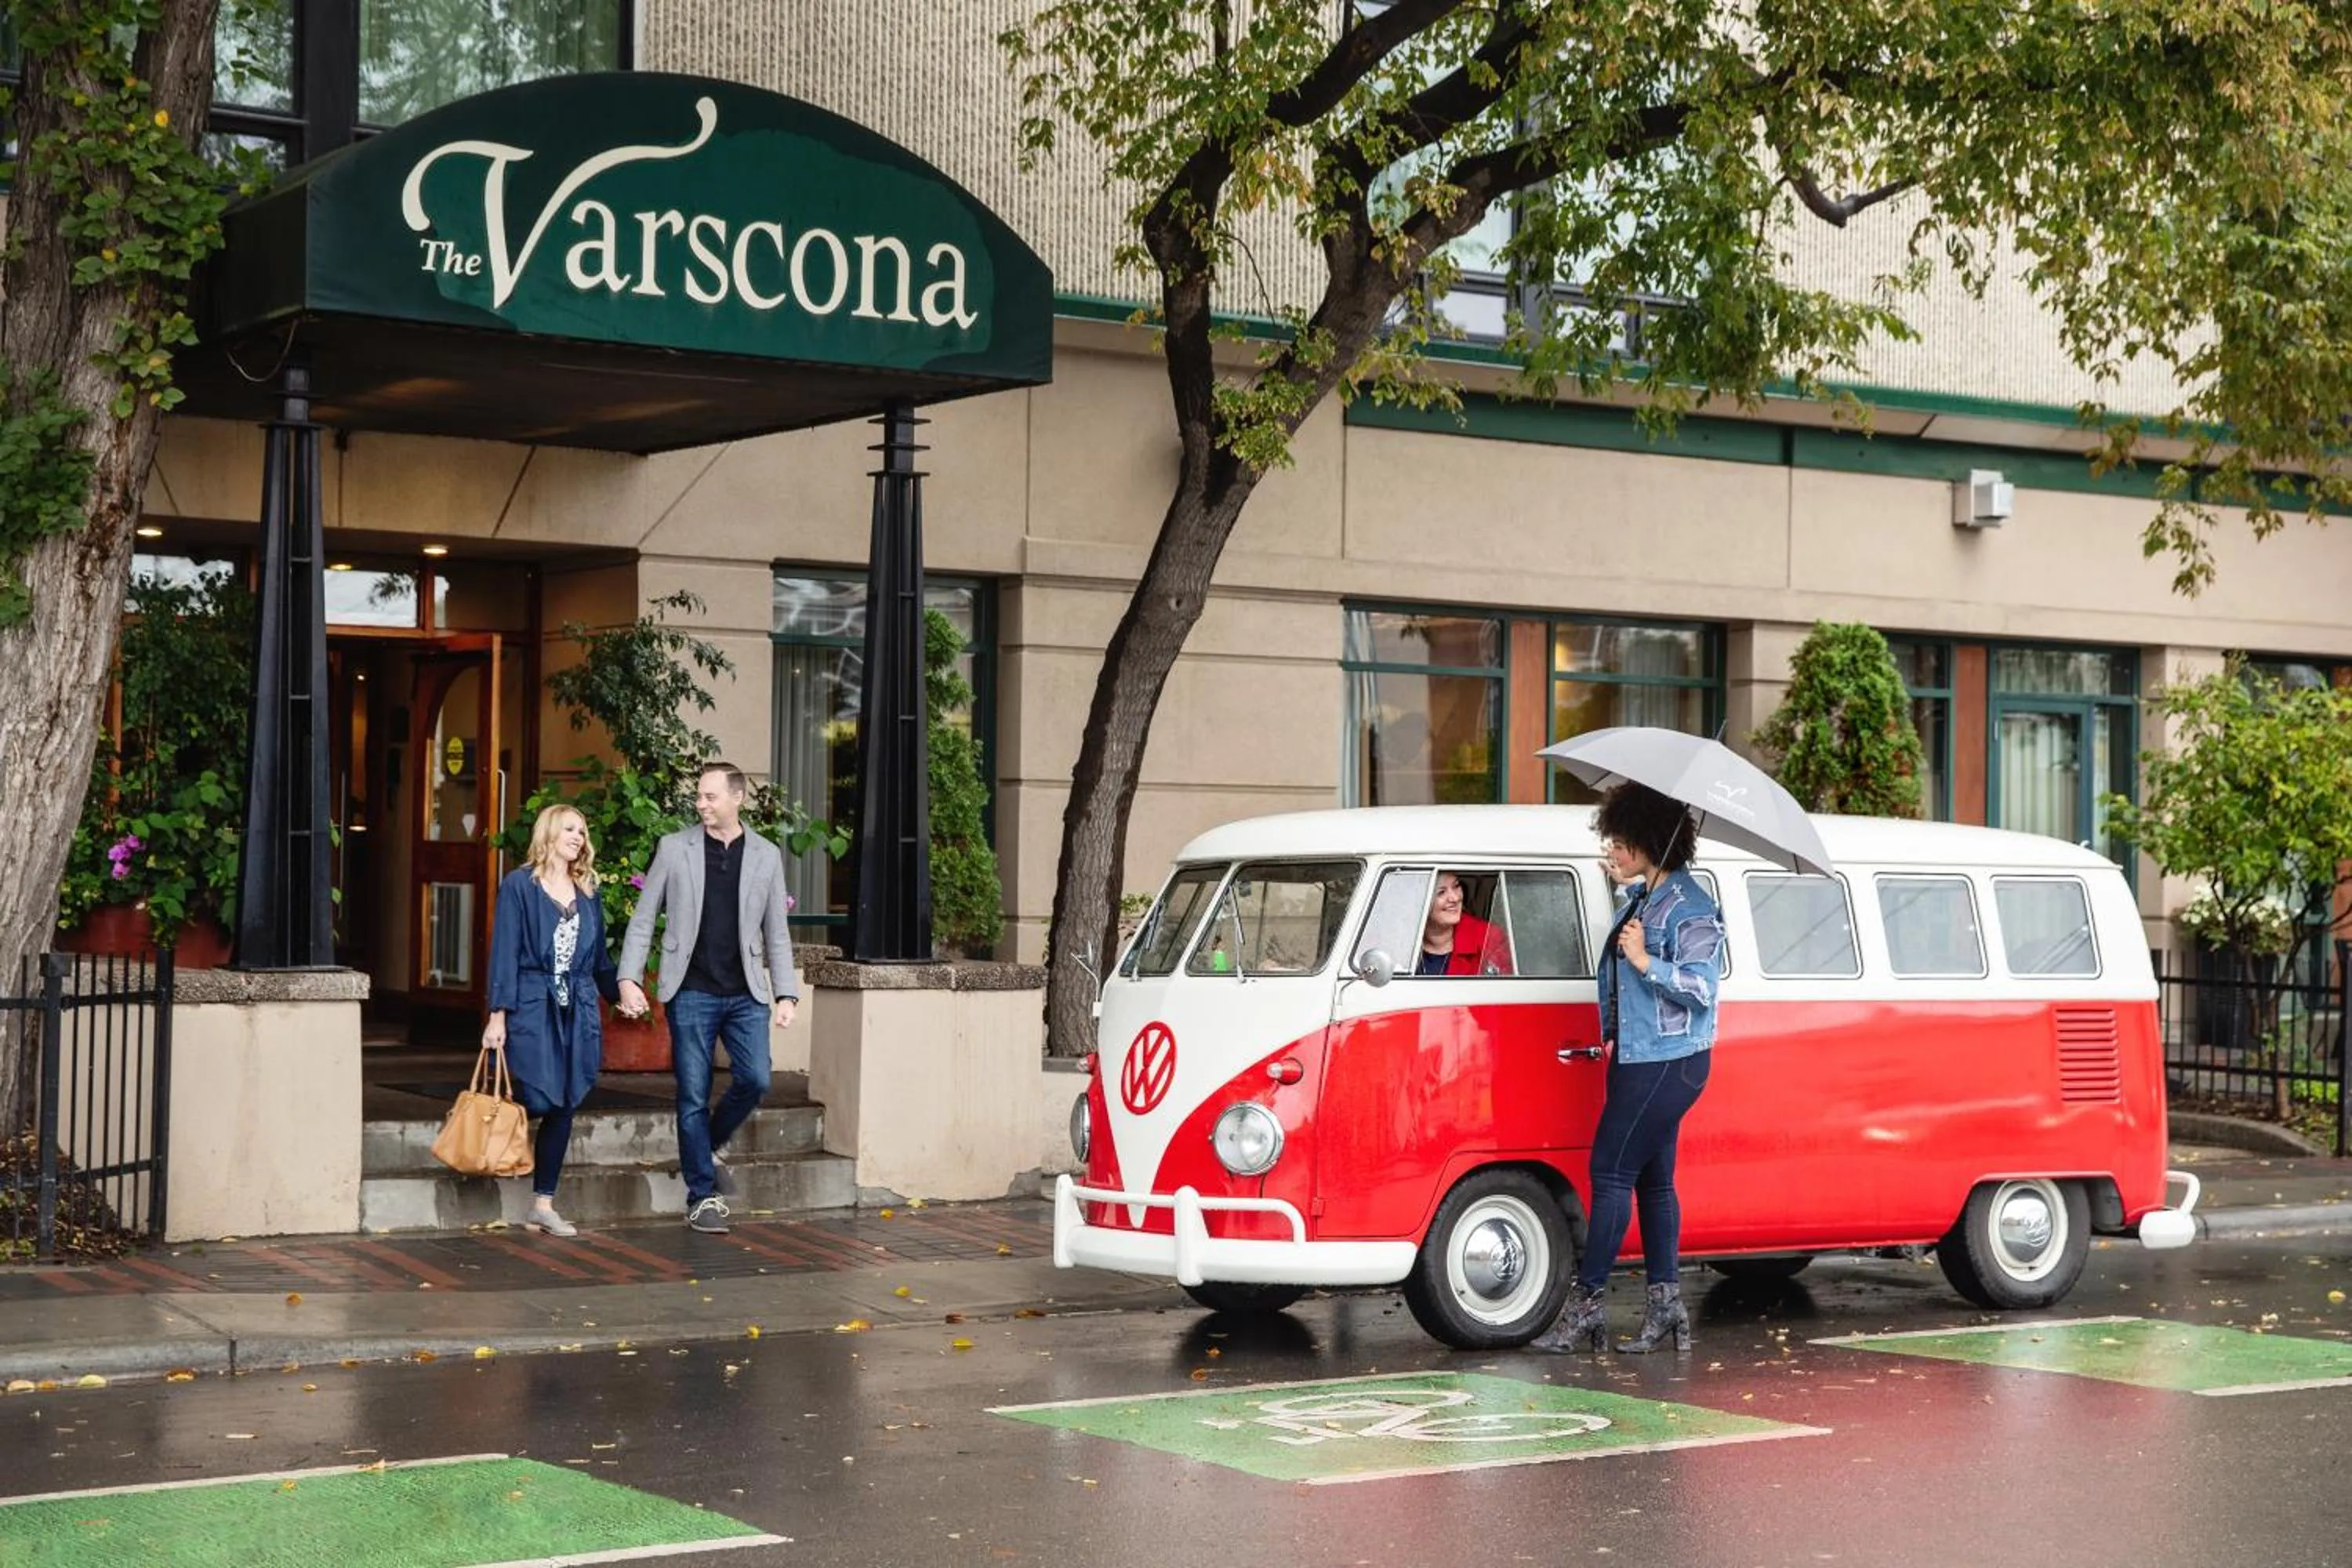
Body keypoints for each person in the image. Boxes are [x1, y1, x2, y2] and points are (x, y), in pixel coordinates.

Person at [1531, 781, 1725, 1355]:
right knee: (1653, 1181)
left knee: (1610, 1172)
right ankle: (1665, 1309)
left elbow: (1702, 989)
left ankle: (1586, 1305)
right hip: (1640, 1057)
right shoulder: (1646, 897)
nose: (1612, 850)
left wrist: (1644, 960)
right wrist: (1624, 898)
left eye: (1619, 841)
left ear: (1646, 842)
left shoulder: (1692, 908)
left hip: (1670, 1062)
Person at [618, 762, 800, 1234]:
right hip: (692, 990)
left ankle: (703, 1148)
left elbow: (776, 933)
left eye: (709, 796)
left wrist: (786, 993)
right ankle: (703, 1196)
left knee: (756, 1079)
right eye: (699, 796)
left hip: (746, 995)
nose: (700, 803)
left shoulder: (765, 855)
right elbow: (643, 919)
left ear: (737, 798)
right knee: (692, 1096)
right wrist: (629, 979)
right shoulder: (674, 849)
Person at [484, 804, 621, 1239]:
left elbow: (599, 961)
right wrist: (497, 1017)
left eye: (582, 830)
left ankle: (543, 1203)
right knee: (538, 1099)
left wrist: (623, 994)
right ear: (548, 833)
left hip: (577, 1009)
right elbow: (504, 953)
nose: (578, 837)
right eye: (569, 828)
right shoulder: (519, 886)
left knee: (566, 1103)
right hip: (530, 1005)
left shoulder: (588, 891)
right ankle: (505, 1145)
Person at [1417, 870, 1514, 975]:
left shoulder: (1489, 938)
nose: (1455, 898)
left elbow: (1500, 990)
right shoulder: (1400, 938)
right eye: (1441, 892)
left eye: (1456, 886)